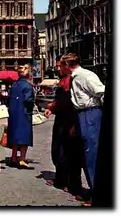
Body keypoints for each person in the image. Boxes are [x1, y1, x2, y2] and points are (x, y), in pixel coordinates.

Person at [60, 53, 104, 206]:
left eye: (61, 65)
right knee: (84, 154)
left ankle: (98, 196)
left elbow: (101, 91)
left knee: (91, 154)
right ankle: (93, 191)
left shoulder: (85, 75)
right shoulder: (75, 77)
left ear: (67, 65)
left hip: (90, 113)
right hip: (81, 115)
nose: (60, 68)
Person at [44, 56, 83, 199]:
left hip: (67, 120)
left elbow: (66, 102)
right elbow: (60, 101)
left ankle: (66, 183)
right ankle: (64, 181)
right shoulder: (63, 81)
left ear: (66, 66)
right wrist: (52, 107)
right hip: (63, 119)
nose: (57, 69)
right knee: (62, 151)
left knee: (65, 152)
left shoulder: (70, 81)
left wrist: (54, 107)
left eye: (59, 66)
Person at [7, 64, 35, 169]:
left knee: (15, 136)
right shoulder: (28, 86)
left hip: (14, 114)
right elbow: (28, 100)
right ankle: (22, 159)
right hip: (24, 113)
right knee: (24, 136)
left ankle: (14, 157)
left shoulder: (14, 85)